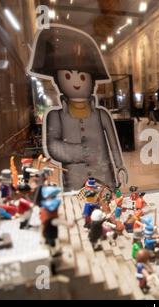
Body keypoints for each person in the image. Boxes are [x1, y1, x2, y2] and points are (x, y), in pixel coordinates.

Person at [27, 24, 127, 190]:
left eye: (82, 77)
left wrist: (120, 166)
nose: (75, 82)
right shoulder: (55, 116)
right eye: (67, 76)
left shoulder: (101, 114)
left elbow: (113, 144)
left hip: (104, 179)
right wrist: (81, 152)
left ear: (91, 81)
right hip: (74, 182)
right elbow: (53, 146)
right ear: (58, 81)